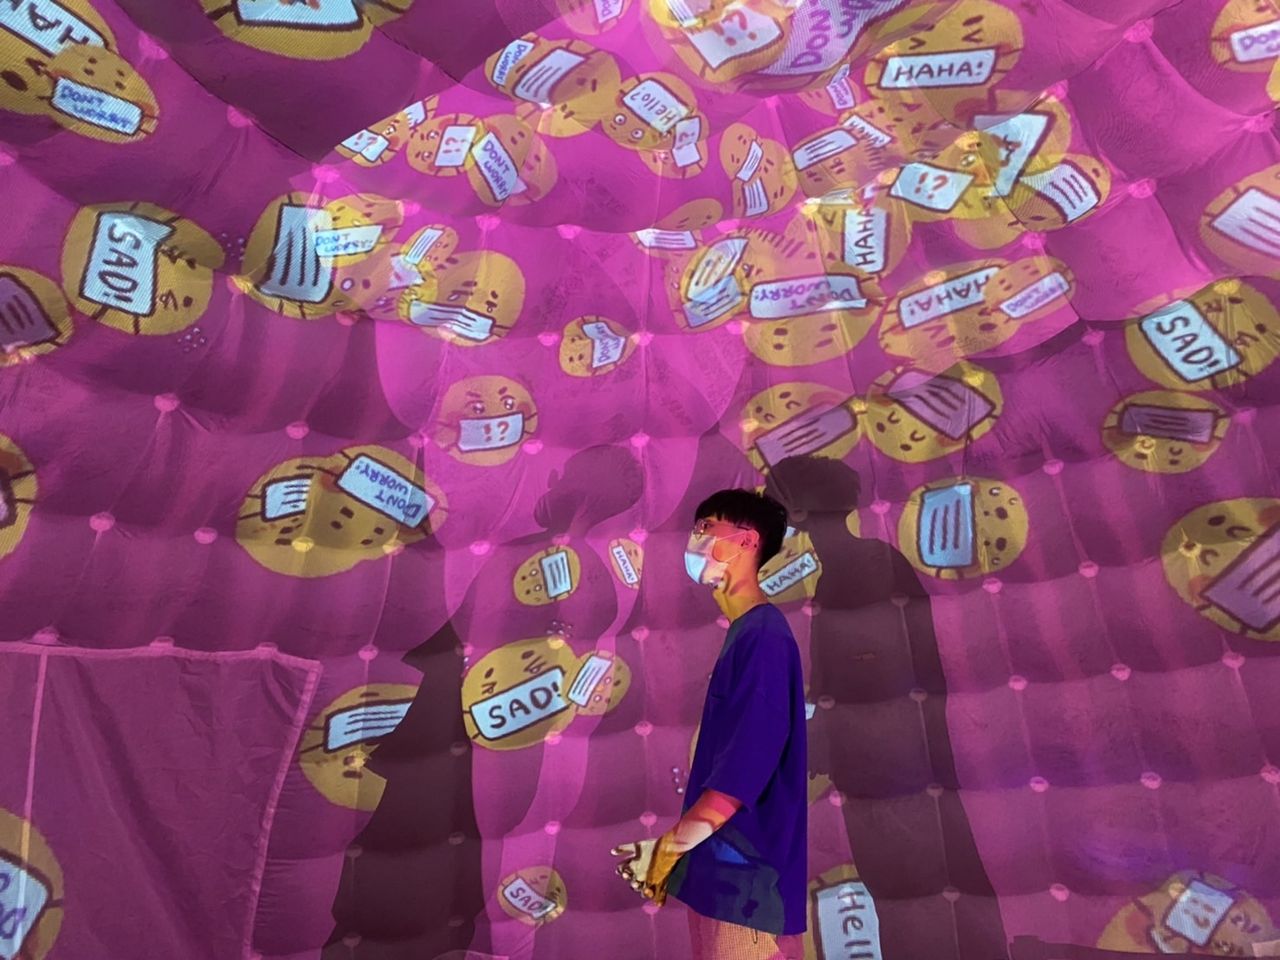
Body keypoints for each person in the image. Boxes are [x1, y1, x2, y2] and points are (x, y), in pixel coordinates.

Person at [612, 489, 808, 960]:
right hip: (722, 884)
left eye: (707, 528)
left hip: (748, 892)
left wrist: (668, 849)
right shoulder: (746, 634)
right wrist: (669, 854)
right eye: (695, 529)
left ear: (747, 541)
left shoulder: (764, 638)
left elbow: (744, 771)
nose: (695, 539)